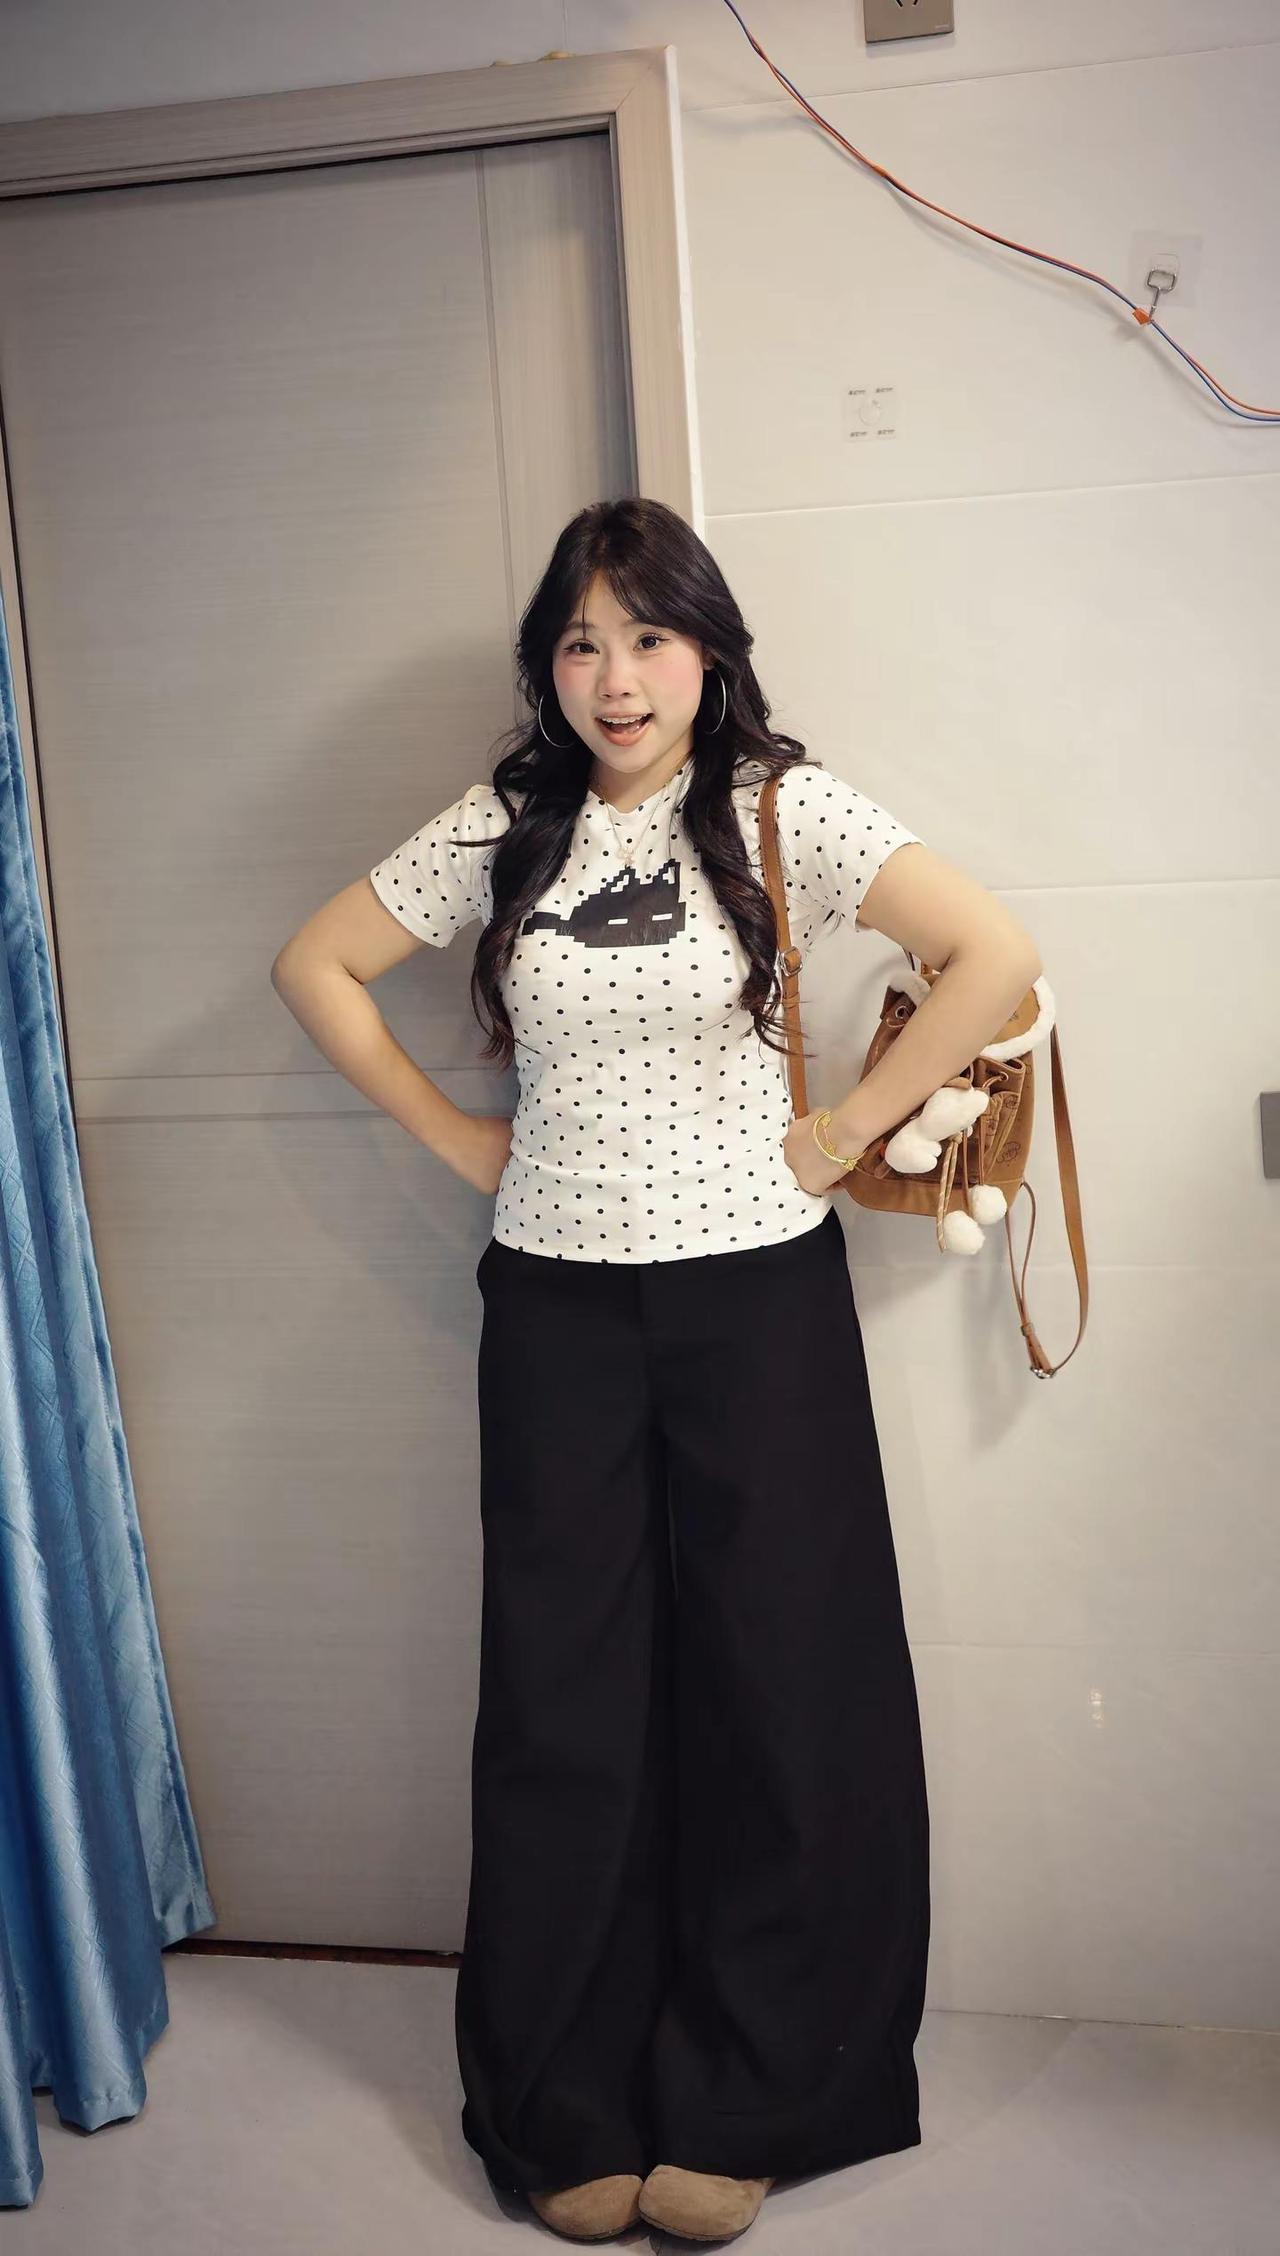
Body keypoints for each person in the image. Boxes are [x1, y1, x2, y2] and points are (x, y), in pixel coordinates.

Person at [271, 496, 1042, 2245]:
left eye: (648, 638)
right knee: (568, 1700)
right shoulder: (508, 822)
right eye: (580, 643)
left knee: (782, 1685)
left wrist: (846, 1126)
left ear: (708, 651)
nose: (615, 679)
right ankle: (565, 2096)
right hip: (557, 1306)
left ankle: (757, 2093)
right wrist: (460, 1140)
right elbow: (314, 964)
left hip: (757, 1300)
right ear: (548, 666)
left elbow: (996, 952)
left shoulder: (781, 807)